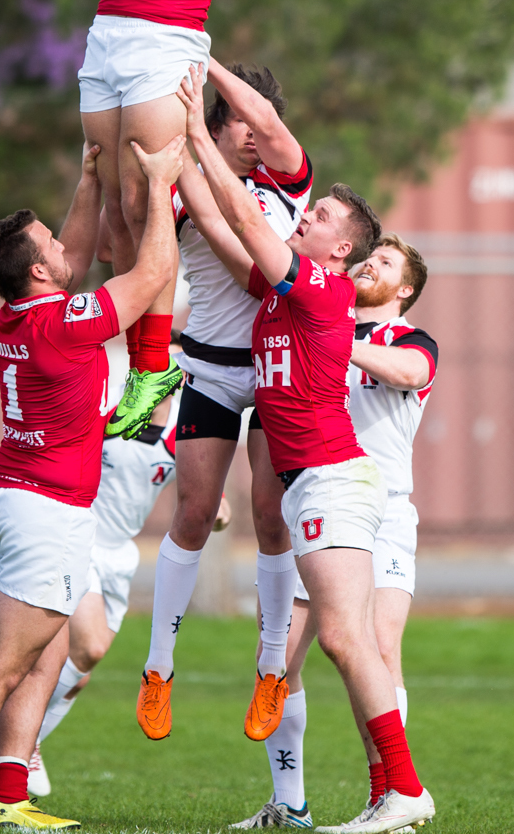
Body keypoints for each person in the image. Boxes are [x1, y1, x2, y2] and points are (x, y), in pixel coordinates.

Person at [173, 68, 435, 834]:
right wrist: (171, 161)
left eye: (317, 214)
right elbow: (226, 233)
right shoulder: (294, 293)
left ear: (343, 246)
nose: (302, 215)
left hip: (335, 484)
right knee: (326, 645)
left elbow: (250, 225)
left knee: (354, 639)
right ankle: (326, 798)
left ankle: (399, 789)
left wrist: (196, 131)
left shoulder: (320, 292)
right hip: (310, 486)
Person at [0, 135, 184, 830]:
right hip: (44, 512)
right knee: (1, 664)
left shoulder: (17, 315)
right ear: (37, 271)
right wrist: (162, 188)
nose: (65, 247)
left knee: (46, 655)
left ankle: (9, 793)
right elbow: (150, 276)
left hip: (15, 502)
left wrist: (89, 181)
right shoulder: (60, 323)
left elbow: (76, 258)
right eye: (50, 242)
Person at [79, 0, 307, 440]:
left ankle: (152, 371)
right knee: (114, 204)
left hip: (171, 39)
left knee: (149, 194)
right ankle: (143, 362)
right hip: (109, 34)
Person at [232, 236, 438, 830]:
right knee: (278, 658)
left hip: (384, 511)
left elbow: (410, 371)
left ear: (405, 290)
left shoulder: (407, 340)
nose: (371, 263)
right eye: (370, 256)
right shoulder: (317, 316)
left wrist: (334, 340)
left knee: (374, 646)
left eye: (388, 263)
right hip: (315, 498)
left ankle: (391, 793)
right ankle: (289, 803)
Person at [136, 59, 310, 745]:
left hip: (273, 371)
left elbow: (251, 273)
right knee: (195, 511)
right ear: (212, 119)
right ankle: (157, 667)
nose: (256, 132)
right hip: (207, 367)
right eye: (239, 118)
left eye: (261, 119)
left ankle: (270, 667)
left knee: (271, 516)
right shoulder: (185, 180)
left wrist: (200, 54)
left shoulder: (289, 180)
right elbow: (153, 250)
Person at [0, 392, 233, 796]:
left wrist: (219, 513)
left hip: (120, 556)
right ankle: (19, 752)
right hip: (81, 541)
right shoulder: (110, 414)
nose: (161, 365)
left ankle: (18, 750)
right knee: (91, 646)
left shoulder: (182, 432)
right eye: (154, 353)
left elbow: (210, 497)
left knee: (79, 673)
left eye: (171, 357)